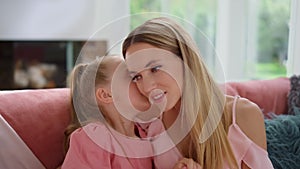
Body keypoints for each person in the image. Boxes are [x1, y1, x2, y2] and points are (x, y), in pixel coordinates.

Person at [122, 17, 274, 169]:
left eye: (155, 69)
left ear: (185, 60)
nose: (147, 87)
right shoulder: (150, 124)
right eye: (137, 77)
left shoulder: (242, 116)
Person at [61, 55, 153, 169]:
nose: (144, 81)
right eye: (133, 77)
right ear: (106, 95)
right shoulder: (94, 137)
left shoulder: (147, 134)